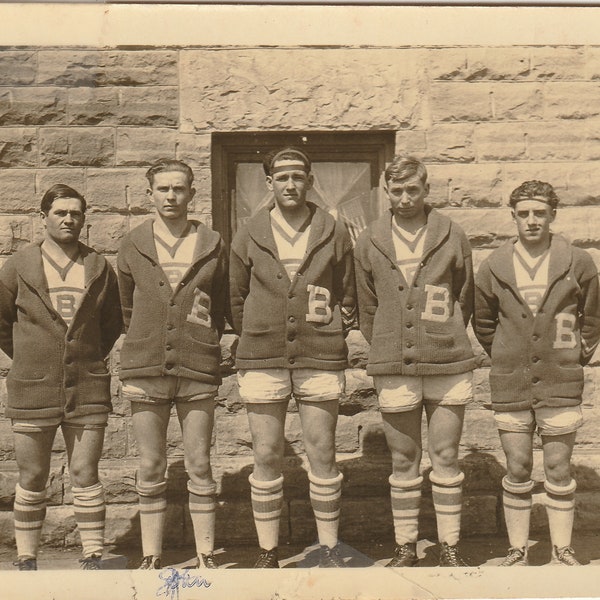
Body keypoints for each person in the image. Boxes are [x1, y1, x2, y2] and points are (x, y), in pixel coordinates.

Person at [229, 147, 356, 568]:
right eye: (281, 177)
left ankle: (330, 547)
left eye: (297, 177)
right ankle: (268, 549)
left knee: (322, 451)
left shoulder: (332, 229)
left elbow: (347, 289)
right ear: (269, 183)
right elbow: (235, 296)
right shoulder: (249, 230)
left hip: (318, 353)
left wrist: (330, 328)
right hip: (262, 355)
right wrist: (257, 328)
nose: (290, 184)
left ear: (310, 180)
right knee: (266, 454)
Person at [354, 155, 476, 567]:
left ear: (426, 190)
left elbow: (463, 294)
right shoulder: (370, 237)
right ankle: (406, 545)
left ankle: (450, 545)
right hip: (394, 364)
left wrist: (442, 335)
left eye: (413, 190)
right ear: (386, 192)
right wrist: (387, 343)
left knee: (445, 455)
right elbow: (365, 305)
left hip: (446, 361)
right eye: (397, 190)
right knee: (404, 458)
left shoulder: (451, 233)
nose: (405, 198)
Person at [474, 180, 600, 566]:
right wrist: (507, 352)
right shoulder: (494, 264)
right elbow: (483, 323)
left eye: (540, 214)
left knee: (559, 467)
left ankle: (562, 548)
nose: (532, 221)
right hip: (511, 379)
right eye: (524, 214)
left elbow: (592, 317)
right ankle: (517, 547)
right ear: (513, 217)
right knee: (518, 465)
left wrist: (573, 354)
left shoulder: (576, 261)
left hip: (560, 380)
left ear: (552, 216)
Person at [0, 184, 122, 570]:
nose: (68, 219)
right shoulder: (19, 265)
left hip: (86, 384)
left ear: (84, 219)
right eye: (60, 213)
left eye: (76, 214)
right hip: (32, 387)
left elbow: (111, 323)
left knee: (86, 471)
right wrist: (31, 359)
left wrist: (83, 358)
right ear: (43, 217)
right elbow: (3, 322)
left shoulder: (99, 265)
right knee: (32, 473)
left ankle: (92, 553)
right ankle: (26, 557)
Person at [117, 159, 228, 570]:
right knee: (151, 462)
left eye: (178, 189)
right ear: (150, 195)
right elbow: (127, 308)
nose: (170, 196)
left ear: (191, 193)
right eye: (162, 189)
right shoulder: (132, 243)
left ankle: (205, 553)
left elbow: (218, 304)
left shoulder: (212, 241)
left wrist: (201, 340)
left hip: (196, 364)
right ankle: (152, 554)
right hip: (146, 366)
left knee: (199, 461)